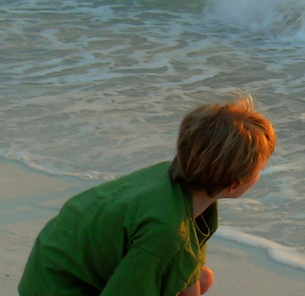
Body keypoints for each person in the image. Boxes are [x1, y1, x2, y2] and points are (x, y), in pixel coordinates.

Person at [18, 96, 276, 296]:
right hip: (58, 288)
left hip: (50, 267)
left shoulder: (172, 176)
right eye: (259, 170)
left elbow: (189, 268)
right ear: (233, 184)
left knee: (201, 277)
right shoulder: (166, 234)